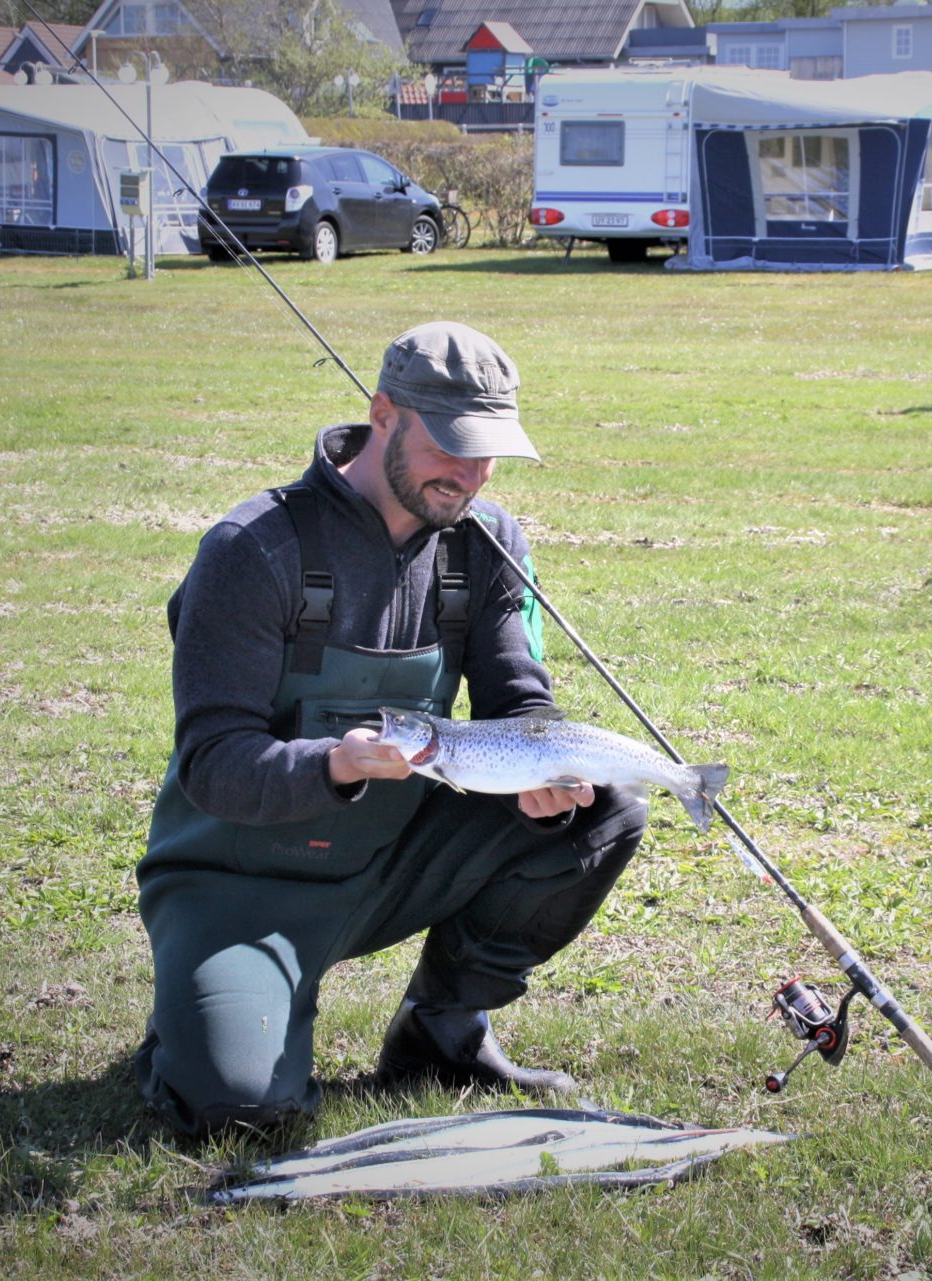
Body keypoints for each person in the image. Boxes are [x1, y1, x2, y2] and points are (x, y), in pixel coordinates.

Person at [133, 321, 648, 1136]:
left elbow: (520, 700)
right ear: (383, 415)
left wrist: (542, 779)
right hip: (235, 883)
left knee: (609, 804)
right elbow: (212, 762)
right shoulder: (249, 550)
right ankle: (200, 1012)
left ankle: (442, 1031)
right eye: (451, 447)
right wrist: (335, 765)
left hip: (388, 864)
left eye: (489, 454)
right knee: (239, 1112)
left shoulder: (488, 545)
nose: (471, 476)